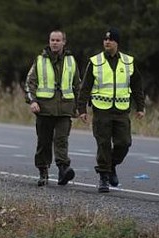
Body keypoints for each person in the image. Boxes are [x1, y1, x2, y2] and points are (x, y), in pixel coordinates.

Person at [78, 27, 145, 193]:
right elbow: (85, 87)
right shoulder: (95, 61)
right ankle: (104, 178)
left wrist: (140, 106)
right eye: (105, 39)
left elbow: (137, 86)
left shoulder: (128, 62)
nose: (107, 42)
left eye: (111, 39)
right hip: (102, 110)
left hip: (122, 110)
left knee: (124, 143)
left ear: (117, 43)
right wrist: (82, 108)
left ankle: (112, 165)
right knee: (103, 144)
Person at [24, 30, 80, 186]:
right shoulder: (40, 60)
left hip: (65, 108)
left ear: (64, 42)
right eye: (52, 40)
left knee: (61, 140)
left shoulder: (71, 61)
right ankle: (43, 171)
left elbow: (77, 85)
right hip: (44, 108)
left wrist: (79, 107)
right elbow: (30, 83)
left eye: (58, 40)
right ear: (49, 41)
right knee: (44, 142)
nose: (54, 42)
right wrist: (32, 101)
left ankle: (63, 169)